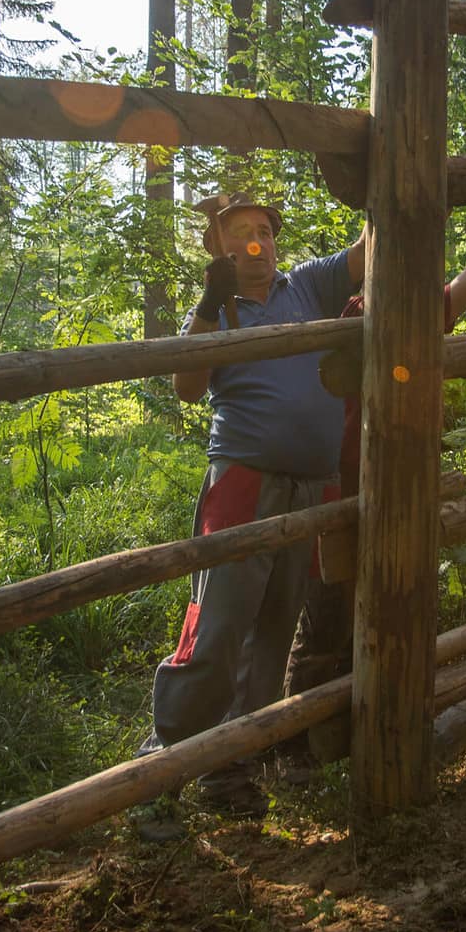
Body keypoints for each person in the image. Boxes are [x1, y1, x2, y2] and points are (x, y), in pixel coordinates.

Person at [136, 190, 364, 821]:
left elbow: (371, 250)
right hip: (244, 483)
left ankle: (229, 773)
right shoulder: (214, 310)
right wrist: (210, 304)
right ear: (218, 246)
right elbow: (185, 389)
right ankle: (161, 772)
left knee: (270, 637)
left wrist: (377, 191)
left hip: (308, 490)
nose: (256, 239)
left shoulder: (308, 287)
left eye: (263, 228)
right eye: (240, 230)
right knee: (218, 630)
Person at [281, 202, 466, 761]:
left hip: (400, 483)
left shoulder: (422, 303)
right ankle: (297, 744)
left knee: (379, 606)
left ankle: (350, 732)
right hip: (341, 479)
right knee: (327, 611)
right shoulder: (352, 310)